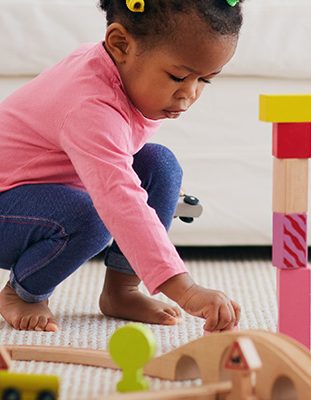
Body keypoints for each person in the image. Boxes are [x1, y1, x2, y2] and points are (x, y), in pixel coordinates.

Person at [0, 0, 244, 332]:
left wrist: (159, 191)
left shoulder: (122, 71)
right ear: (120, 45)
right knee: (94, 215)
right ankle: (23, 293)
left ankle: (121, 290)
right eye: (178, 76)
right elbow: (118, 199)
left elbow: (117, 162)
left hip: (41, 192)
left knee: (161, 166)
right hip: (7, 202)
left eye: (205, 80)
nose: (189, 94)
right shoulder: (90, 107)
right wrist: (183, 289)